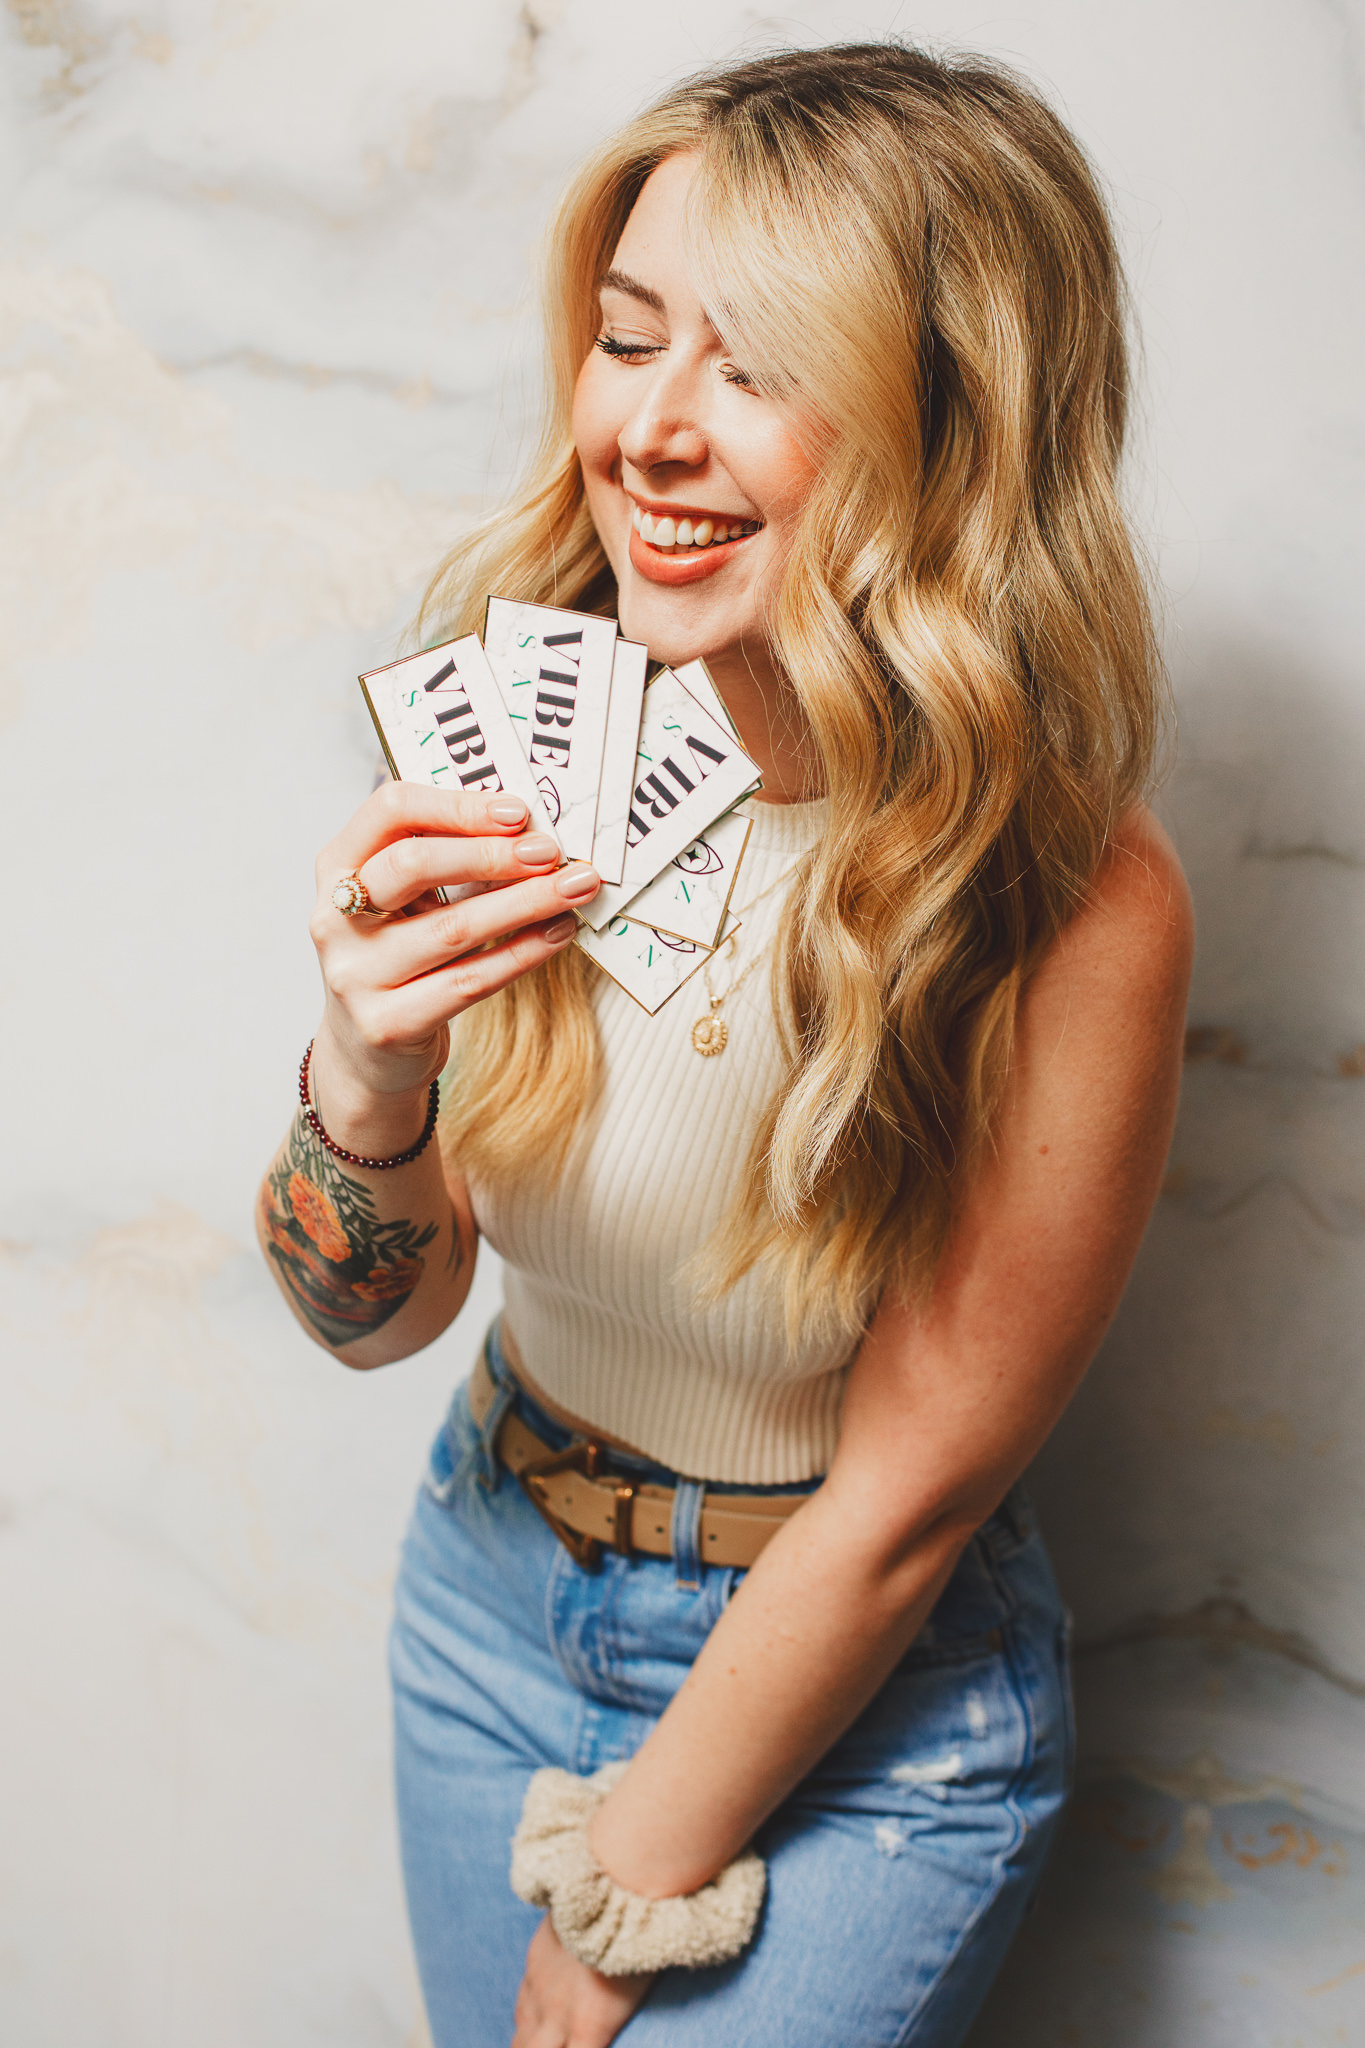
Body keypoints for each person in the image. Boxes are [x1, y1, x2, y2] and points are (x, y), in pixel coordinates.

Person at [257, 40, 1192, 2048]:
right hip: (490, 1590)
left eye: (756, 365)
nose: (649, 432)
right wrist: (364, 1076)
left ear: (950, 423)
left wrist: (608, 1905)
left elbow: (906, 1504)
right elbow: (367, 1319)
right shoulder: (533, 731)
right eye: (622, 338)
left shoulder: (1065, 899)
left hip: (862, 1694)